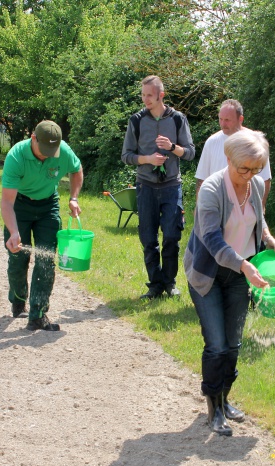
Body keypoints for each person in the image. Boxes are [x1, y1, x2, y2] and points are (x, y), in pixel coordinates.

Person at [184, 130, 275, 436]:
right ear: (229, 159)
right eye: (245, 168)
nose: (250, 175)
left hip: (241, 274)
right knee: (216, 345)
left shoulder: (253, 184)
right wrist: (244, 265)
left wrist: (268, 238)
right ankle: (214, 411)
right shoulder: (212, 191)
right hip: (209, 274)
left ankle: (225, 400)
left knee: (233, 343)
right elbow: (213, 240)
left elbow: (259, 217)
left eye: (256, 169)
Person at [1, 120, 84, 331]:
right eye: (44, 149)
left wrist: (73, 197)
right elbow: (7, 201)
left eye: (52, 150)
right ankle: (19, 301)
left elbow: (77, 170)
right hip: (20, 205)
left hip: (48, 206)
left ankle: (38, 314)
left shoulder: (62, 151)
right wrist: (13, 232)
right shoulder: (16, 156)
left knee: (46, 259)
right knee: (18, 256)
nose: (48, 155)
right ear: (33, 138)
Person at [121, 75, 195, 300]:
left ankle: (169, 283)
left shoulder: (178, 119)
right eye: (143, 95)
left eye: (149, 96)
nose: (145, 100)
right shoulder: (136, 121)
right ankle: (155, 285)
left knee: (172, 236)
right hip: (146, 187)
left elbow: (190, 153)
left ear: (161, 95)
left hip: (172, 186)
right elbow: (126, 156)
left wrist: (173, 147)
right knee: (148, 238)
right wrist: (147, 159)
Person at [195, 99, 272, 208]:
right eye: (220, 119)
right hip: (216, 205)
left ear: (240, 119)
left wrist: (260, 208)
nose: (222, 124)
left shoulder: (255, 142)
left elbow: (265, 179)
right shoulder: (211, 142)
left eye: (227, 120)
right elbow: (202, 179)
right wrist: (199, 207)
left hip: (247, 205)